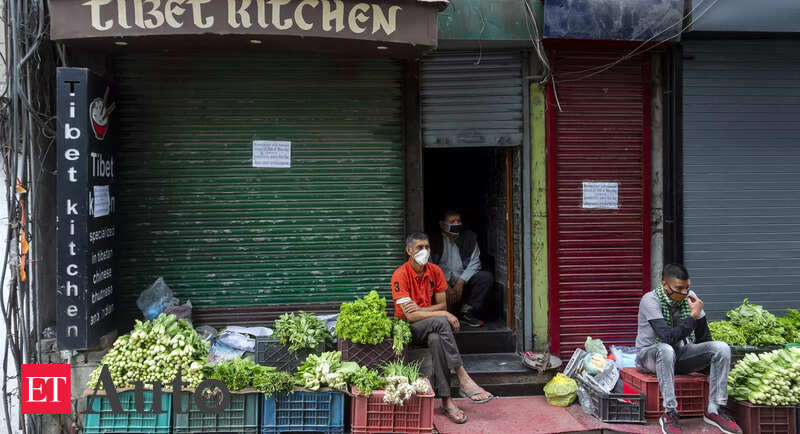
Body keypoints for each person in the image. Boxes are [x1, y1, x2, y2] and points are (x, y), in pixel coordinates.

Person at [391, 232, 494, 424]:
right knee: (441, 321)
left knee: (436, 338)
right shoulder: (400, 275)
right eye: (419, 248)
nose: (424, 251)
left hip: (428, 326)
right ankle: (462, 376)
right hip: (408, 328)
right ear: (409, 251)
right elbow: (410, 316)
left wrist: (425, 310)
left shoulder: (435, 271)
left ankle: (446, 400)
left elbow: (442, 305)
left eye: (427, 247)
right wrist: (441, 313)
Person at [635, 264, 742, 434]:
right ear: (664, 285)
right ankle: (670, 412)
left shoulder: (691, 298)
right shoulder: (650, 300)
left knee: (721, 348)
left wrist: (710, 368)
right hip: (649, 357)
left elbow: (704, 338)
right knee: (665, 349)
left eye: (687, 288)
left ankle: (714, 410)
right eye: (679, 288)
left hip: (679, 356)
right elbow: (668, 338)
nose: (684, 293)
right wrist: (693, 316)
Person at [430, 209, 494, 328]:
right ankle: (440, 314)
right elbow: (429, 266)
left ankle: (466, 312)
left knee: (485, 277)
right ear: (443, 225)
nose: (456, 224)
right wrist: (445, 285)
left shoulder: (469, 238)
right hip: (441, 284)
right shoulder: (433, 240)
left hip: (462, 283)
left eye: (458, 221)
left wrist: (461, 281)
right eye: (452, 221)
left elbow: (475, 263)